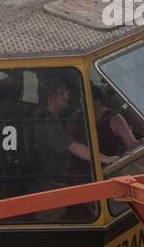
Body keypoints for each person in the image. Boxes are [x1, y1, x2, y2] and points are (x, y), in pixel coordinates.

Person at [32, 77, 118, 219]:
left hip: (53, 183)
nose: (68, 96)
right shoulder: (46, 122)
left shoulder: (48, 118)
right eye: (63, 94)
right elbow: (73, 146)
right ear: (52, 98)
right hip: (49, 186)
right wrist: (106, 158)